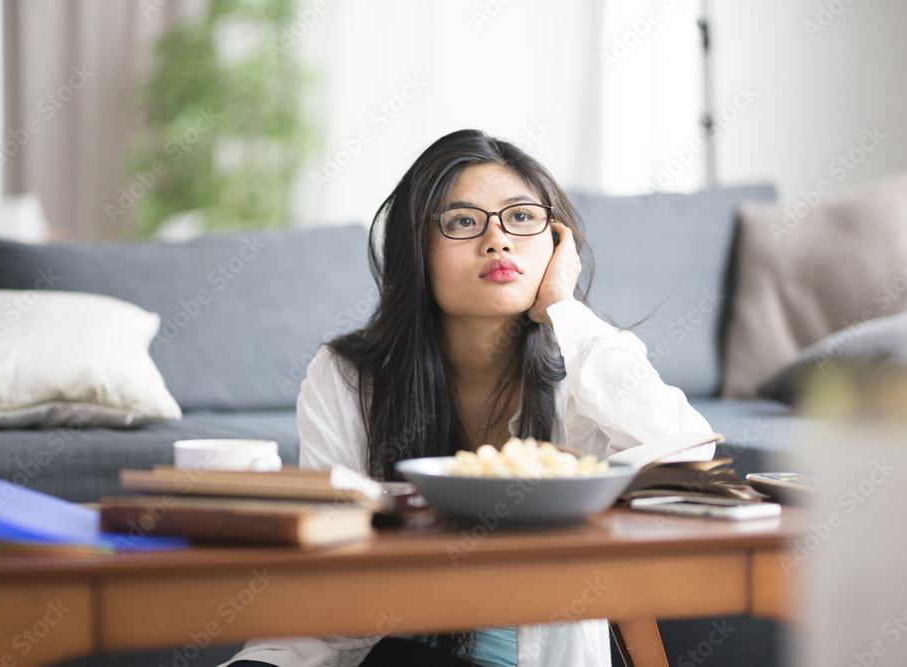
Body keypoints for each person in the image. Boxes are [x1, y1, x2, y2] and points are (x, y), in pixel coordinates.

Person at [219, 129, 714, 667]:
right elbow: (322, 588)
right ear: (415, 250)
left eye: (522, 217)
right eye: (462, 222)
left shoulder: (584, 371)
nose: (498, 240)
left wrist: (565, 311)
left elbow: (689, 453)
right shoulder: (346, 378)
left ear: (557, 242)